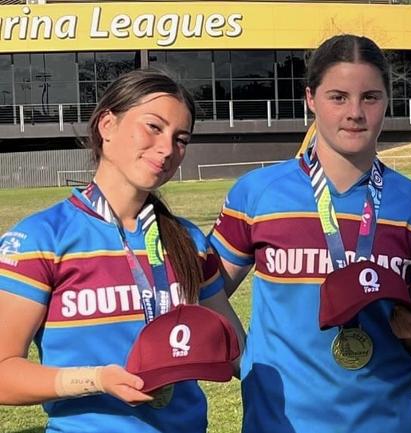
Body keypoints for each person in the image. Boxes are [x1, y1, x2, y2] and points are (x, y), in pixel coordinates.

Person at [208, 34, 411, 433]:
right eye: (338, 97)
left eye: (370, 97)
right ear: (310, 99)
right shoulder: (258, 193)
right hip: (279, 423)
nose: (355, 112)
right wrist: (245, 358)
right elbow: (207, 290)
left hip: (386, 422)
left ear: (388, 101)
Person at [0, 70, 245, 433]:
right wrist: (97, 379)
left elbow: (236, 347)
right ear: (107, 125)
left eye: (181, 139)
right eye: (153, 127)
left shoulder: (188, 240)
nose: (166, 150)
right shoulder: (41, 239)